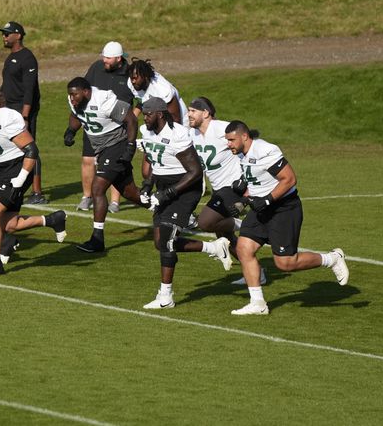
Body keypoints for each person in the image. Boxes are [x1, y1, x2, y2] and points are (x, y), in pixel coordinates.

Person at [224, 120, 349, 315]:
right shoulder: (241, 153)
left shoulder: (266, 150)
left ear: (244, 136)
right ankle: (258, 303)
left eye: (231, 140)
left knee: (285, 263)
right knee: (243, 248)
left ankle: (332, 258)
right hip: (262, 209)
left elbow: (289, 178)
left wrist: (266, 200)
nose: (228, 144)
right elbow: (257, 181)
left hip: (284, 208)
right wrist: (243, 198)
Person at [139, 97, 233, 310]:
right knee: (160, 242)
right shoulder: (147, 132)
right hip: (164, 184)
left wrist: (167, 194)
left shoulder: (178, 135)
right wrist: (147, 185)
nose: (145, 118)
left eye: (148, 114)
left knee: (166, 241)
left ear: (160, 114)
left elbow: (195, 172)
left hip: (184, 188)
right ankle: (213, 247)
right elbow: (156, 160)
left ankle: (166, 296)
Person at [0, 82, 67, 276]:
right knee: (9, 224)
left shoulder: (7, 117)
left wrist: (21, 179)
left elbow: (31, 150)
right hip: (0, 172)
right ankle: (52, 220)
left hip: (16, 169)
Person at [187, 97, 266, 286]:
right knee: (225, 238)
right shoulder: (193, 134)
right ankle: (257, 273)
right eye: (188, 111)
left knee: (206, 222)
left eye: (193, 111)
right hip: (218, 189)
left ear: (206, 113)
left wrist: (246, 178)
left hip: (234, 186)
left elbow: (248, 144)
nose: (189, 114)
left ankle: (240, 223)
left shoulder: (221, 128)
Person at [62, 77, 143, 253]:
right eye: (70, 95)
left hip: (117, 145)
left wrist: (130, 146)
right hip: (102, 148)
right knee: (131, 194)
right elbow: (76, 115)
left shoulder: (104, 100)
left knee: (97, 189)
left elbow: (131, 119)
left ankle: (97, 239)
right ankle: (162, 205)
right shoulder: (74, 100)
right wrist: (71, 130)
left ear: (86, 91)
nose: (72, 98)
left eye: (75, 94)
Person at [78, 41, 136, 212]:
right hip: (95, 123)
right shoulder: (96, 67)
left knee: (113, 164)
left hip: (118, 126)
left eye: (108, 58)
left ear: (119, 58)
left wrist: (133, 117)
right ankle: (86, 197)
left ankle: (115, 202)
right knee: (87, 160)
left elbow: (139, 98)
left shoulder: (130, 73)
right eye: (103, 56)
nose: (104, 60)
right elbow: (83, 89)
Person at [0, 21, 46, 204]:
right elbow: (7, 85)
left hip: (22, 110)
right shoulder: (10, 58)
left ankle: (37, 192)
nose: (4, 37)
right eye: (3, 34)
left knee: (29, 148)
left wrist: (25, 115)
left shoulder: (27, 58)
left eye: (7, 34)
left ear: (18, 35)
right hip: (9, 108)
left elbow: (29, 89)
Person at [128, 58, 188, 125]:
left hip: (178, 122)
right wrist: (132, 118)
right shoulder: (133, 83)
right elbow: (141, 98)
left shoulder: (163, 90)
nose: (132, 81)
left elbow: (176, 120)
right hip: (155, 121)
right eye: (131, 78)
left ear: (145, 77)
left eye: (135, 78)